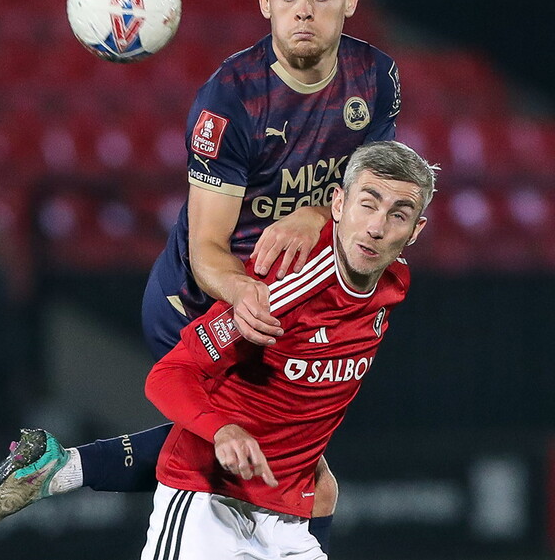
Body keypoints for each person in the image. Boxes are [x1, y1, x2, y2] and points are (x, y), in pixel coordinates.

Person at [0, 0, 402, 553]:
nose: (305, 10)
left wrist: (314, 219)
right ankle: (74, 475)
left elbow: (366, 189)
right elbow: (208, 248)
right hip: (202, 294)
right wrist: (247, 295)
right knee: (278, 458)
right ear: (265, 3)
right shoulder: (232, 102)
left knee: (303, 472)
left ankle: (60, 470)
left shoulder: (375, 79)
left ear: (350, 2)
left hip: (289, 291)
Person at [140, 140, 435, 559]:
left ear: (415, 230)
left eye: (397, 216)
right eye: (367, 205)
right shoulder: (285, 284)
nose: (377, 227)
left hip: (287, 520)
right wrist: (221, 430)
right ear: (338, 204)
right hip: (209, 502)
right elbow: (168, 375)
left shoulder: (394, 283)